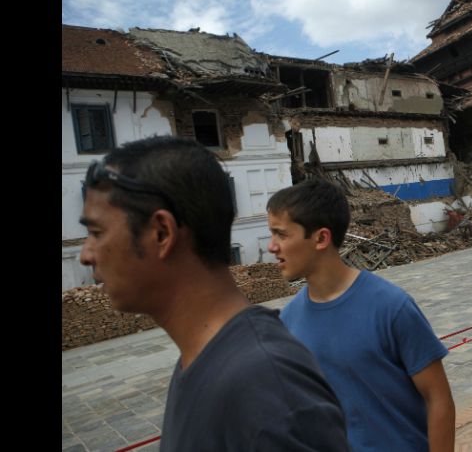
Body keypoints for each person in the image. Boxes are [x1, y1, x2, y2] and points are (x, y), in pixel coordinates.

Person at [78, 136, 349, 452]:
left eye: (96, 233)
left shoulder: (264, 384)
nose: (86, 254)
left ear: (161, 233)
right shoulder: (202, 363)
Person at [267, 178, 455, 452]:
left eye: (281, 235)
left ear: (321, 238)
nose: (272, 246)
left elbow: (438, 399)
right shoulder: (289, 321)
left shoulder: (391, 307)